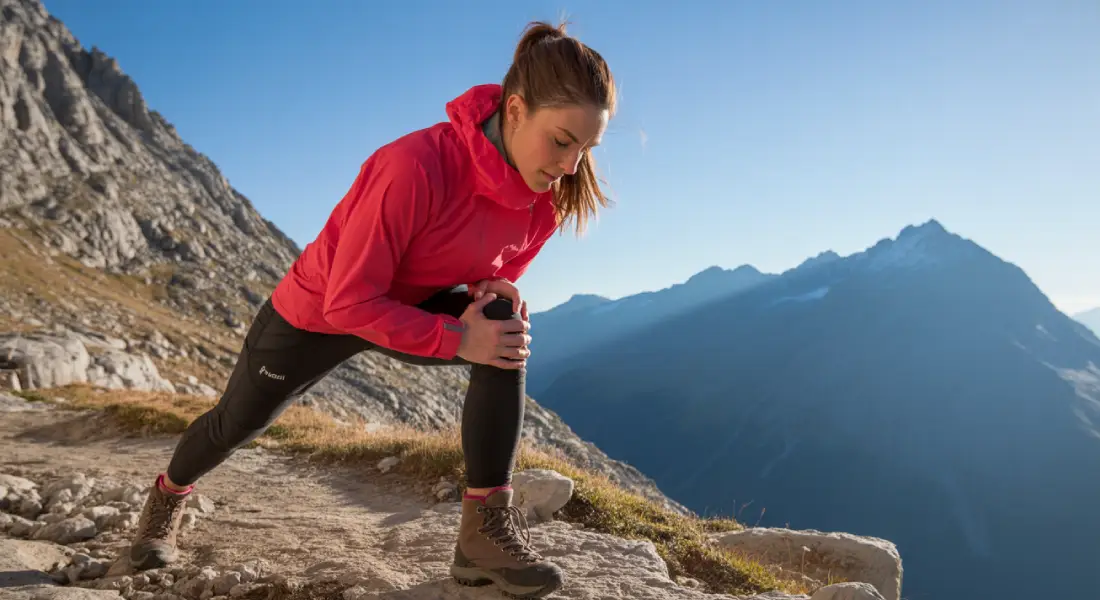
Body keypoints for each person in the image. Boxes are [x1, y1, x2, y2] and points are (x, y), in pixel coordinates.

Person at [125, 20, 616, 600]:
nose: (571, 164)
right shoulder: (413, 165)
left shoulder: (543, 202)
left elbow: (496, 272)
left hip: (413, 300)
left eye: (586, 149)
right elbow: (350, 300)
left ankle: (483, 535)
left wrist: (490, 296)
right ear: (513, 111)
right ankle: (167, 496)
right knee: (236, 424)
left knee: (504, 335)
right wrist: (457, 339)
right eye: (562, 141)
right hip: (319, 312)